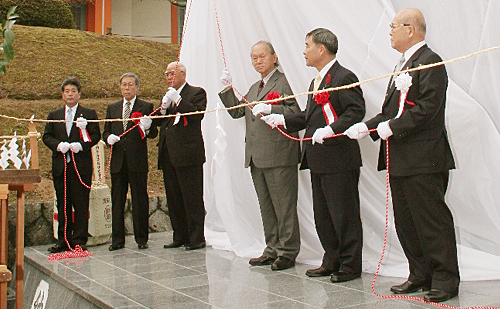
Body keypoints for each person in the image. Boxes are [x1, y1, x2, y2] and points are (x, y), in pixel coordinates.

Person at [345, 8, 459, 303]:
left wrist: (391, 128)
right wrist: (367, 127)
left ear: (411, 29)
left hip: (424, 157)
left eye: (394, 26)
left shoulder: (430, 62)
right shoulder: (402, 64)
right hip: (399, 159)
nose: (390, 31)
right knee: (407, 221)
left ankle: (445, 279)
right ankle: (420, 273)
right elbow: (389, 112)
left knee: (431, 220)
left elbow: (427, 108)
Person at [262, 28, 365, 281]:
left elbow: (355, 111)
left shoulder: (344, 76)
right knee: (324, 215)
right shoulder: (315, 81)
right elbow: (308, 117)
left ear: (322, 49)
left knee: (344, 214)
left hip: (339, 158)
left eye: (307, 45)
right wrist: (281, 118)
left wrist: (332, 129)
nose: (304, 51)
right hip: (318, 158)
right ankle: (331, 259)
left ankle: (350, 266)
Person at [218, 41, 301, 271]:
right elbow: (237, 111)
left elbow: (296, 112)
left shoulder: (286, 81)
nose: (258, 61)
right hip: (256, 155)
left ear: (275, 57)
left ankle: (287, 251)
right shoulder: (255, 87)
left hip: (279, 153)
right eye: (253, 57)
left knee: (284, 206)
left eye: (262, 56)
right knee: (266, 206)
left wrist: (272, 108)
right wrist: (227, 89)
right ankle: (272, 248)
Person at [43, 77, 101, 253]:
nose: (70, 94)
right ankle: (63, 239)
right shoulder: (54, 115)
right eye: (67, 91)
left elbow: (95, 135)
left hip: (80, 166)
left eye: (73, 91)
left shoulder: (89, 114)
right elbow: (47, 136)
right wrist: (58, 145)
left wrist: (81, 146)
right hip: (61, 166)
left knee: (81, 203)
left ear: (79, 94)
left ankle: (79, 239)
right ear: (62, 94)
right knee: (63, 203)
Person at [155, 62, 207, 251]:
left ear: (183, 74)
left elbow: (196, 114)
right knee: (174, 197)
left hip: (188, 155)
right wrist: (161, 110)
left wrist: (178, 99)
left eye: (172, 73)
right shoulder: (168, 96)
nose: (169, 77)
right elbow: (163, 123)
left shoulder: (196, 92)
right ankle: (180, 235)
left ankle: (196, 237)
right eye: (166, 74)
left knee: (191, 197)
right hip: (169, 153)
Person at [103, 73, 157, 251]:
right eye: (124, 85)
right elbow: (106, 131)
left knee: (139, 198)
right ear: (120, 87)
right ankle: (117, 240)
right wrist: (108, 138)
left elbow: (153, 133)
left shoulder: (145, 106)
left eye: (130, 85)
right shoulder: (112, 108)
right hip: (118, 161)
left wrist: (148, 127)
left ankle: (141, 238)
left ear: (137, 88)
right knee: (117, 199)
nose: (127, 88)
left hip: (137, 161)